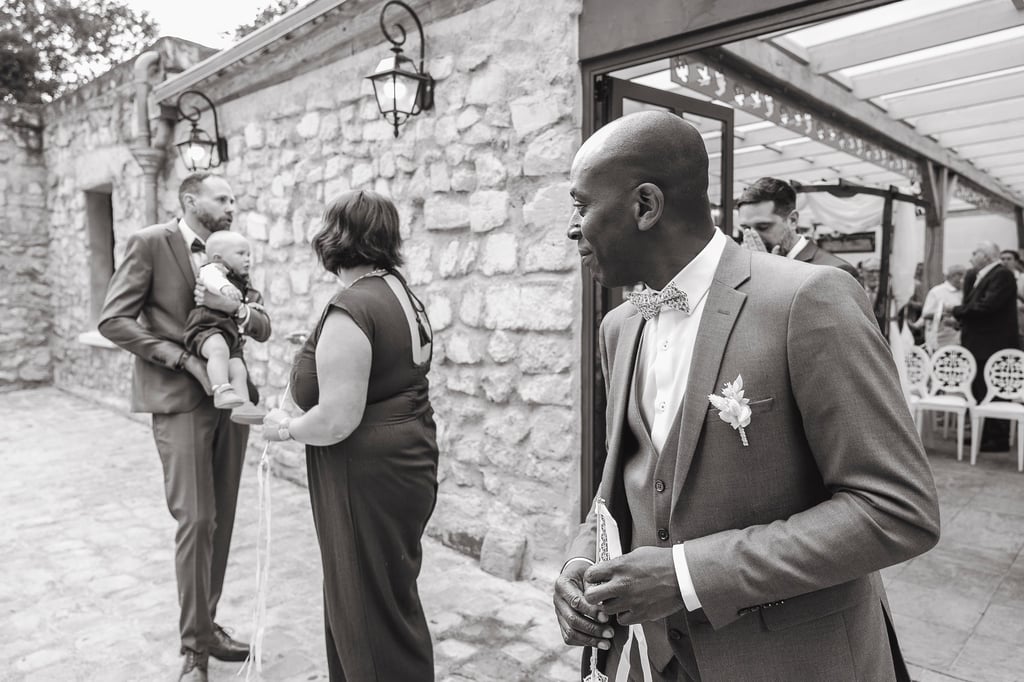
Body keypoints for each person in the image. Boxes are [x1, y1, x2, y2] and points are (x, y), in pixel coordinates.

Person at [554, 111, 939, 681]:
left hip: (789, 662)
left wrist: (686, 576)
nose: (572, 227)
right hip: (653, 660)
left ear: (645, 206)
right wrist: (584, 559)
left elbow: (897, 509)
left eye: (581, 205)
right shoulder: (620, 326)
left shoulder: (808, 300)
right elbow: (627, 484)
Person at [99, 172, 270, 682]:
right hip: (179, 402)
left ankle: (207, 625)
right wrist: (182, 360)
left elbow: (261, 324)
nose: (232, 205)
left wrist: (237, 308)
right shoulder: (151, 243)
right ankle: (194, 649)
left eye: (234, 198)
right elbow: (114, 319)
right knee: (195, 521)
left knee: (220, 520)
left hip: (232, 405)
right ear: (191, 200)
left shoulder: (233, 253)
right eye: (223, 198)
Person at [262, 189, 438, 681]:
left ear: (333, 237)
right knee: (385, 595)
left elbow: (336, 419)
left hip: (363, 474)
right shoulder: (398, 289)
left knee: (364, 606)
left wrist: (285, 428)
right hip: (406, 459)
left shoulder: (352, 305)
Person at [183, 231, 265, 424]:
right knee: (218, 351)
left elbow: (242, 303)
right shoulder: (214, 269)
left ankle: (243, 406)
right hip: (205, 327)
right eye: (241, 254)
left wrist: (250, 307)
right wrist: (224, 288)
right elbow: (210, 278)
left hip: (229, 333)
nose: (247, 259)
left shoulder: (242, 281)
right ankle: (221, 390)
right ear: (218, 258)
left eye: (249, 255)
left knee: (238, 369)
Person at [952, 241, 1019, 451]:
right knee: (980, 389)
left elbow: (988, 306)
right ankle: (984, 434)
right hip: (980, 342)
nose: (971, 256)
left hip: (992, 343)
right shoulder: (982, 275)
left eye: (975, 252)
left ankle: (998, 438)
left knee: (994, 390)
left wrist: (956, 310)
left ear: (987, 256)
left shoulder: (1002, 275)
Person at [736, 176, 859, 278]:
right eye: (745, 229)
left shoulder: (836, 272)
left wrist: (768, 275)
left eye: (763, 227)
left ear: (792, 220)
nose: (752, 237)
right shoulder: (744, 269)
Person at [917, 264, 965, 351]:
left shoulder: (963, 292)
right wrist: (945, 314)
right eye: (962, 276)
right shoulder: (936, 291)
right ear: (955, 276)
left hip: (959, 341)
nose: (963, 280)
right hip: (940, 341)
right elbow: (926, 314)